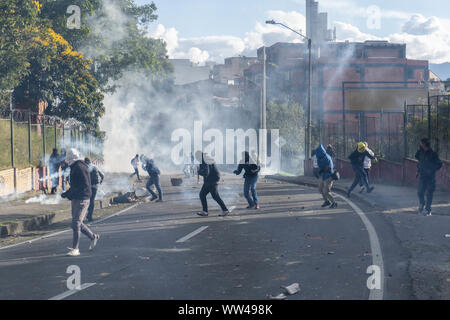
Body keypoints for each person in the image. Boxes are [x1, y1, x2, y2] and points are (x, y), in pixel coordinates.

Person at [61, 149, 100, 257]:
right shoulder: (78, 166)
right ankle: (93, 237)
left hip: (82, 198)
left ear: (70, 158)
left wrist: (68, 194)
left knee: (76, 223)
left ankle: (75, 249)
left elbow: (81, 186)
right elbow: (76, 185)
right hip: (78, 197)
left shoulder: (79, 167)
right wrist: (68, 193)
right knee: (76, 222)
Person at [196, 151, 229, 217]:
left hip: (212, 181)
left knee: (215, 196)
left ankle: (225, 210)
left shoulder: (205, 161)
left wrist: (199, 171)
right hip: (210, 180)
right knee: (203, 194)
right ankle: (205, 211)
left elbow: (206, 173)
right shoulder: (206, 159)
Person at [415, 138, 442, 216]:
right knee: (420, 192)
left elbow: (439, 164)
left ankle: (428, 210)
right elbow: (419, 160)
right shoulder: (420, 152)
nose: (420, 144)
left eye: (421, 143)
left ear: (425, 144)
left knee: (429, 193)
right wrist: (418, 170)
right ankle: (422, 203)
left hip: (430, 177)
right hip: (422, 176)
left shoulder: (433, 153)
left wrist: (432, 170)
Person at [85, 157, 104, 222]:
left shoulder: (85, 167)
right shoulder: (95, 166)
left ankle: (88, 214)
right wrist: (100, 182)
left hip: (88, 186)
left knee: (87, 200)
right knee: (92, 200)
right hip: (95, 186)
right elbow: (102, 175)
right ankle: (90, 215)